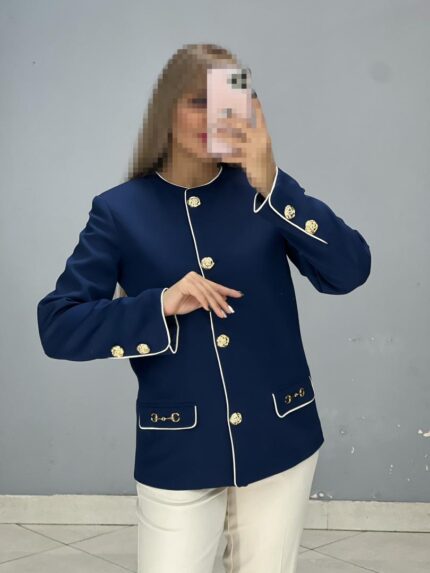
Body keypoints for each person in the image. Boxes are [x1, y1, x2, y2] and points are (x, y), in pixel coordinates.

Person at [37, 43, 371, 572]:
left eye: (225, 103)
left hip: (280, 432)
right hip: (179, 444)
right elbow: (58, 325)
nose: (212, 117)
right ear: (166, 109)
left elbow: (349, 271)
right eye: (198, 101)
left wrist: (273, 181)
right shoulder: (120, 211)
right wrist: (162, 304)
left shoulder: (263, 193)